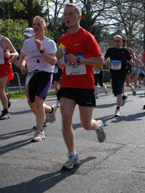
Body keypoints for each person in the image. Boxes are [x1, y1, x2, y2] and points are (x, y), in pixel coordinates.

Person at [56, 3, 106, 170]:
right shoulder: (62, 39)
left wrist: (78, 60)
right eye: (65, 14)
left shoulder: (87, 37)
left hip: (85, 86)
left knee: (86, 124)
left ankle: (97, 125)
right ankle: (72, 155)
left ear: (79, 17)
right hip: (68, 84)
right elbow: (62, 66)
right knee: (66, 119)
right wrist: (59, 59)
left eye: (71, 14)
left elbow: (100, 61)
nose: (67, 17)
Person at [13, 16, 58, 142]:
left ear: (44, 27)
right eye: (34, 24)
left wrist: (41, 50)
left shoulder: (49, 43)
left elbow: (53, 62)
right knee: (32, 103)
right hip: (32, 75)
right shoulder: (27, 43)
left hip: (45, 74)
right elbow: (22, 60)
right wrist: (21, 66)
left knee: (38, 102)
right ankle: (51, 110)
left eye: (38, 24)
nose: (36, 26)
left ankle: (40, 131)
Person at [105, 35, 134, 117]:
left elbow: (129, 59)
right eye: (115, 41)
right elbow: (105, 58)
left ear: (121, 42)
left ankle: (117, 109)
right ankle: (122, 97)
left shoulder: (125, 51)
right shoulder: (110, 50)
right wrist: (106, 62)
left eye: (118, 40)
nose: (116, 42)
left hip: (122, 73)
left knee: (119, 91)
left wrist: (131, 62)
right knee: (115, 92)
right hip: (113, 73)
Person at [0, 22, 19, 120]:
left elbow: (16, 53)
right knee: (0, 92)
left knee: (0, 88)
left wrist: (9, 55)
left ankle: (6, 111)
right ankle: (6, 96)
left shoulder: (4, 40)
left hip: (4, 67)